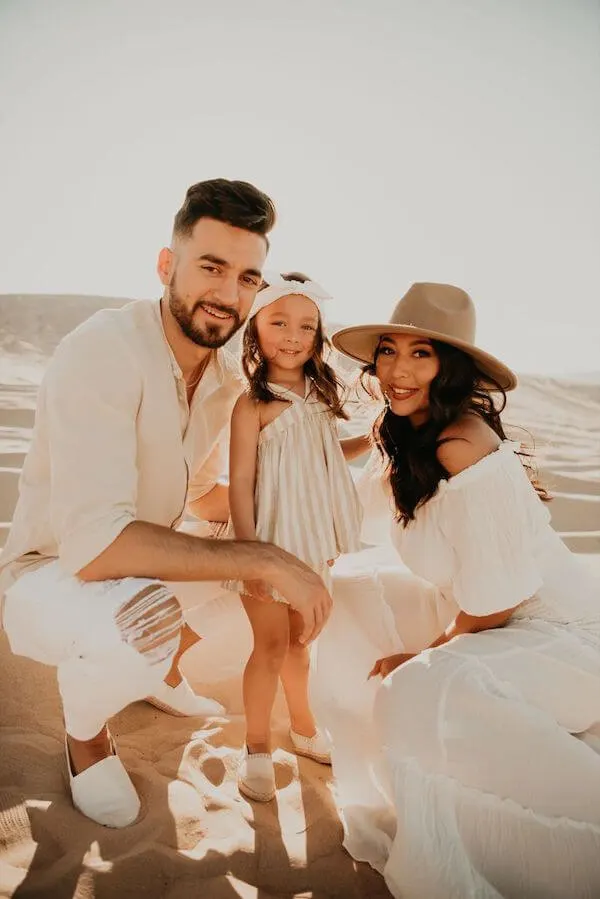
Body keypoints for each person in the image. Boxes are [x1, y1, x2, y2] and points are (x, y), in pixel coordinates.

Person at [0, 179, 332, 830]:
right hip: (50, 576)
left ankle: (160, 668)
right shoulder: (105, 351)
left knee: (254, 554)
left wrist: (282, 538)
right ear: (166, 266)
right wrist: (261, 557)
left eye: (246, 277)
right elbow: (95, 546)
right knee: (172, 597)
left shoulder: (225, 376)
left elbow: (205, 494)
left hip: (133, 566)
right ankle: (87, 731)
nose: (228, 292)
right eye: (211, 267)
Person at [315, 282, 600, 898]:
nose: (397, 368)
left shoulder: (461, 442)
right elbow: (344, 518)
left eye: (422, 354)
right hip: (489, 614)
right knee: (348, 591)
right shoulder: (406, 437)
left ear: (452, 367)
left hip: (558, 632)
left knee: (418, 687)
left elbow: (496, 601)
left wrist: (425, 652)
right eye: (388, 351)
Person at [226, 271, 369, 801]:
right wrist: (248, 557)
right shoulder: (253, 403)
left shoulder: (318, 393)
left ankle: (304, 729)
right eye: (279, 322)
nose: (292, 335)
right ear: (255, 330)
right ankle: (257, 748)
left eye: (306, 326)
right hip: (267, 544)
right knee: (267, 648)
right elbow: (240, 481)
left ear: (318, 335)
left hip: (311, 544)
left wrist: (370, 442)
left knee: (300, 646)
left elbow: (327, 454)